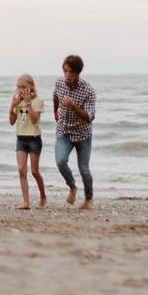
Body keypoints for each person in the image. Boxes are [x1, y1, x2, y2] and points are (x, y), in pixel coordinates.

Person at [51, 54, 96, 210]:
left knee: (83, 168)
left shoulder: (88, 90)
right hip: (64, 130)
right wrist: (55, 112)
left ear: (78, 73)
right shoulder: (59, 83)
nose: (67, 75)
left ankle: (89, 198)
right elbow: (55, 96)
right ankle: (72, 186)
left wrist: (73, 107)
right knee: (60, 161)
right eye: (65, 71)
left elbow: (90, 117)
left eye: (71, 72)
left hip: (83, 133)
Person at [8, 73, 46, 209]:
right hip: (21, 138)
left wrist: (28, 102)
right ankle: (26, 202)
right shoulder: (18, 101)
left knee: (35, 171)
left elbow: (34, 119)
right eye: (19, 87)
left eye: (24, 86)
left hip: (34, 139)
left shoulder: (38, 101)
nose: (21, 89)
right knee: (21, 170)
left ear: (31, 86)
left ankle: (43, 197)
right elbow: (12, 122)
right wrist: (12, 106)